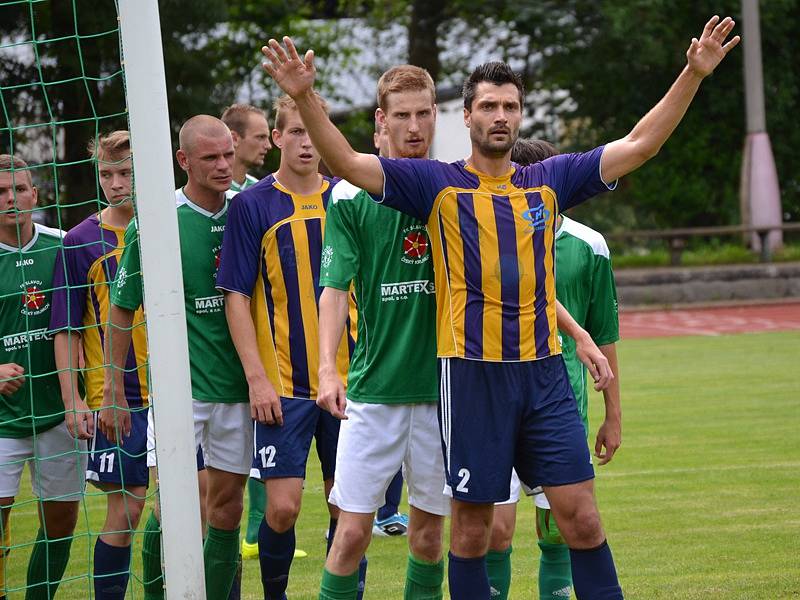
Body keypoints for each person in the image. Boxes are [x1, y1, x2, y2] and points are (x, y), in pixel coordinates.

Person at [261, 15, 739, 598]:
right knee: (469, 533)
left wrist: (692, 73)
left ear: (520, 115)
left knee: (582, 519)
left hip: (543, 378)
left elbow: (640, 145)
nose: (500, 116)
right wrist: (305, 96)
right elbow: (349, 163)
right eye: (488, 106)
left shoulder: (548, 179)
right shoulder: (435, 185)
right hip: (471, 378)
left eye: (510, 106)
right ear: (467, 117)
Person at [105, 116, 251, 599]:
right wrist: (112, 390)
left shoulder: (246, 211)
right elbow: (122, 310)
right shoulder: (158, 220)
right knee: (172, 507)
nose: (224, 165)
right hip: (177, 393)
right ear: (183, 160)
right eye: (211, 157)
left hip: (238, 389)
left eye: (229, 154)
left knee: (228, 508)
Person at [317, 65, 448, 600]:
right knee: (349, 535)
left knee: (429, 537)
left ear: (436, 116)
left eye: (423, 114)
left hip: (445, 392)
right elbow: (334, 287)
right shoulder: (349, 198)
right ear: (381, 120)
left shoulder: (455, 186)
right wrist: (328, 366)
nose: (413, 126)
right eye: (402, 116)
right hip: (374, 392)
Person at [217, 94, 356, 600]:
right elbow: (235, 296)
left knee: (349, 506)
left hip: (349, 381)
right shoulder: (252, 206)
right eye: (294, 132)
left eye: (312, 132)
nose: (305, 142)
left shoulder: (347, 195)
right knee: (281, 508)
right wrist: (256, 378)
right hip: (284, 384)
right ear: (277, 138)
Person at [487, 138, 622, 600]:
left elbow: (603, 333)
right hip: (493, 401)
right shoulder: (490, 239)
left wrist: (614, 414)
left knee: (561, 531)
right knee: (494, 533)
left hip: (560, 409)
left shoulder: (589, 246)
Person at [49, 130, 149, 600]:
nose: (114, 184)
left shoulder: (169, 225)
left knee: (205, 505)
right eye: (106, 174)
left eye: (124, 173)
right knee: (127, 511)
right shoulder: (80, 241)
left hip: (185, 390)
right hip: (117, 399)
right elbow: (67, 329)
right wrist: (74, 402)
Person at [0, 154, 87, 598]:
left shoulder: (64, 245)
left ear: (35, 194)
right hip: (1, 419)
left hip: (59, 411)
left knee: (61, 524)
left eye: (19, 189)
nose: (11, 199)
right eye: (1, 192)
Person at [221, 103, 272, 193]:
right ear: (234, 138)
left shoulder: (260, 190)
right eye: (260, 137)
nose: (268, 146)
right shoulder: (211, 191)